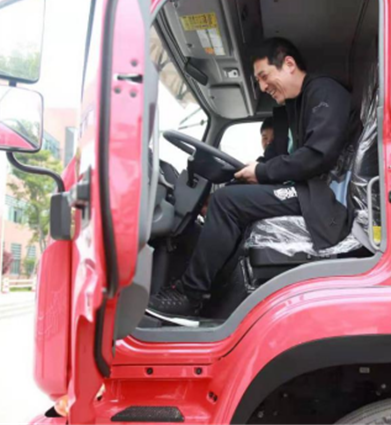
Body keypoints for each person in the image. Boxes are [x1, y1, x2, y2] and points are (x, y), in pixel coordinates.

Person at [148, 37, 358, 320]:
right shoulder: (292, 110)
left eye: (264, 76)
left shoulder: (325, 92)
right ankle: (214, 293)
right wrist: (245, 176)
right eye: (258, 80)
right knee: (228, 196)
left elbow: (317, 156)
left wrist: (260, 173)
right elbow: (272, 159)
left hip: (322, 198)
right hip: (304, 190)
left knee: (227, 202)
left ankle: (190, 295)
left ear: (289, 64)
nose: (262, 86)